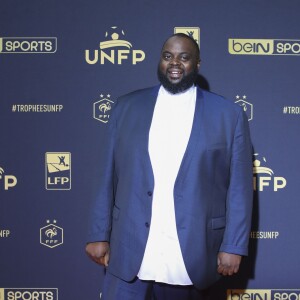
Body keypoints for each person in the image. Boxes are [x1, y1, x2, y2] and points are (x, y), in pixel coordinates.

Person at [86, 33, 253, 300]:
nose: (174, 63)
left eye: (184, 57)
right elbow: (106, 176)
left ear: (197, 64)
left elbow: (239, 188)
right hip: (129, 251)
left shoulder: (227, 115)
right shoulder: (126, 107)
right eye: (167, 56)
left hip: (191, 255)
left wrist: (233, 245)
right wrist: (98, 233)